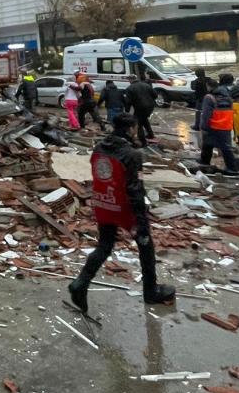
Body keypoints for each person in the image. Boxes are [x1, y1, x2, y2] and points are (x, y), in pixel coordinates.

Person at [68, 113, 175, 312]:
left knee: (104, 245)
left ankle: (80, 283)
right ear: (130, 129)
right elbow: (135, 188)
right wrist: (141, 219)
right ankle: (151, 291)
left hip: (103, 203)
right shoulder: (132, 154)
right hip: (124, 208)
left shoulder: (99, 148)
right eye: (135, 128)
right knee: (145, 246)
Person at [198, 75, 239, 172]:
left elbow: (206, 114)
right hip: (226, 126)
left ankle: (204, 162)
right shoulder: (228, 97)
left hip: (213, 125)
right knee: (226, 148)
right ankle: (231, 168)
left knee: (207, 145)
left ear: (209, 87)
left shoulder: (209, 97)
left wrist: (203, 127)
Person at [124, 72, 158, 145]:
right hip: (150, 107)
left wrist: (126, 112)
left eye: (129, 80)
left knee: (137, 123)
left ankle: (143, 141)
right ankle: (151, 135)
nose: (129, 81)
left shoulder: (129, 88)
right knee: (144, 120)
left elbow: (128, 102)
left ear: (130, 80)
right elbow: (155, 95)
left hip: (140, 108)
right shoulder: (146, 85)